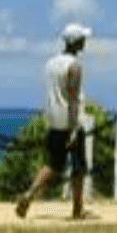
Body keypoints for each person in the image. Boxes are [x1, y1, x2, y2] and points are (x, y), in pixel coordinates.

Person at [15, 23, 92, 219]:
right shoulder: (74, 66)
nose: (85, 41)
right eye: (82, 39)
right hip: (70, 121)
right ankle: (77, 209)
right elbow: (73, 98)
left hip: (54, 120)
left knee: (53, 165)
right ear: (76, 42)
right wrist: (74, 128)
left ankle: (30, 193)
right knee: (78, 167)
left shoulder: (50, 64)